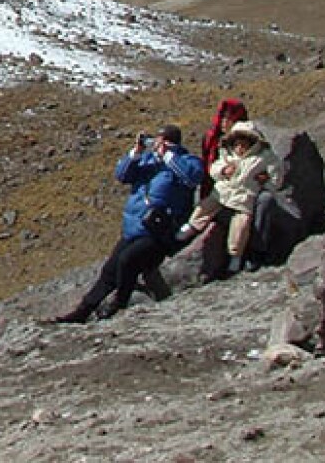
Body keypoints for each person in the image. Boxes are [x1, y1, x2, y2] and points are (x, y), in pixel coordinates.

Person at [52, 124, 204, 323]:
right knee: (110, 270)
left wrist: (168, 156)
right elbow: (122, 175)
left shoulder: (185, 161)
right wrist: (136, 153)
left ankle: (120, 303)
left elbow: (192, 178)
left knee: (128, 260)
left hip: (160, 231)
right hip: (135, 226)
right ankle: (83, 310)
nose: (155, 144)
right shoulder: (148, 161)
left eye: (160, 140)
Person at [177, 120, 280, 274]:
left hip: (244, 199)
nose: (240, 148)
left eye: (244, 144)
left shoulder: (264, 157)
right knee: (204, 208)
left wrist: (266, 181)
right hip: (222, 193)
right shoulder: (227, 155)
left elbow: (277, 177)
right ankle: (190, 227)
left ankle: (235, 257)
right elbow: (214, 169)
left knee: (240, 227)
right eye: (237, 144)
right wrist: (224, 171)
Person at [199, 98, 248, 200]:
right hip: (216, 188)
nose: (224, 122)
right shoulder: (212, 139)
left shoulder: (249, 140)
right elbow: (210, 168)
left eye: (229, 118)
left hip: (239, 192)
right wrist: (223, 171)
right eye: (222, 117)